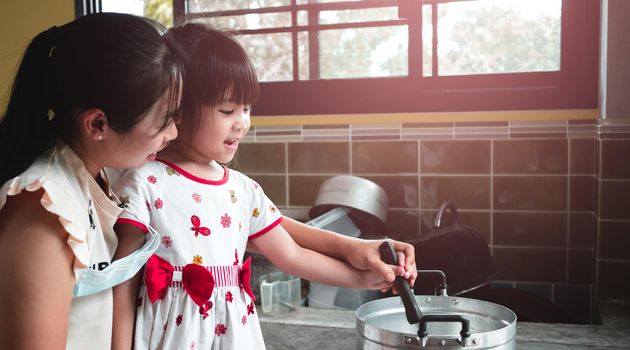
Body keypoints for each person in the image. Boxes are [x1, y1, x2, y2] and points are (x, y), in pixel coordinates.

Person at [111, 23, 416, 349]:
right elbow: (122, 283)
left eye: (246, 108)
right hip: (172, 338)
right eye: (227, 110)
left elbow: (293, 254)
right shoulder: (145, 184)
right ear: (179, 106)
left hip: (236, 337)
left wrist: (368, 277)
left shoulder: (241, 190)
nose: (242, 122)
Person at [0, 13, 183, 349]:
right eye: (164, 121)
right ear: (97, 124)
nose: (173, 133)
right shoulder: (44, 209)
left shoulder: (95, 171)